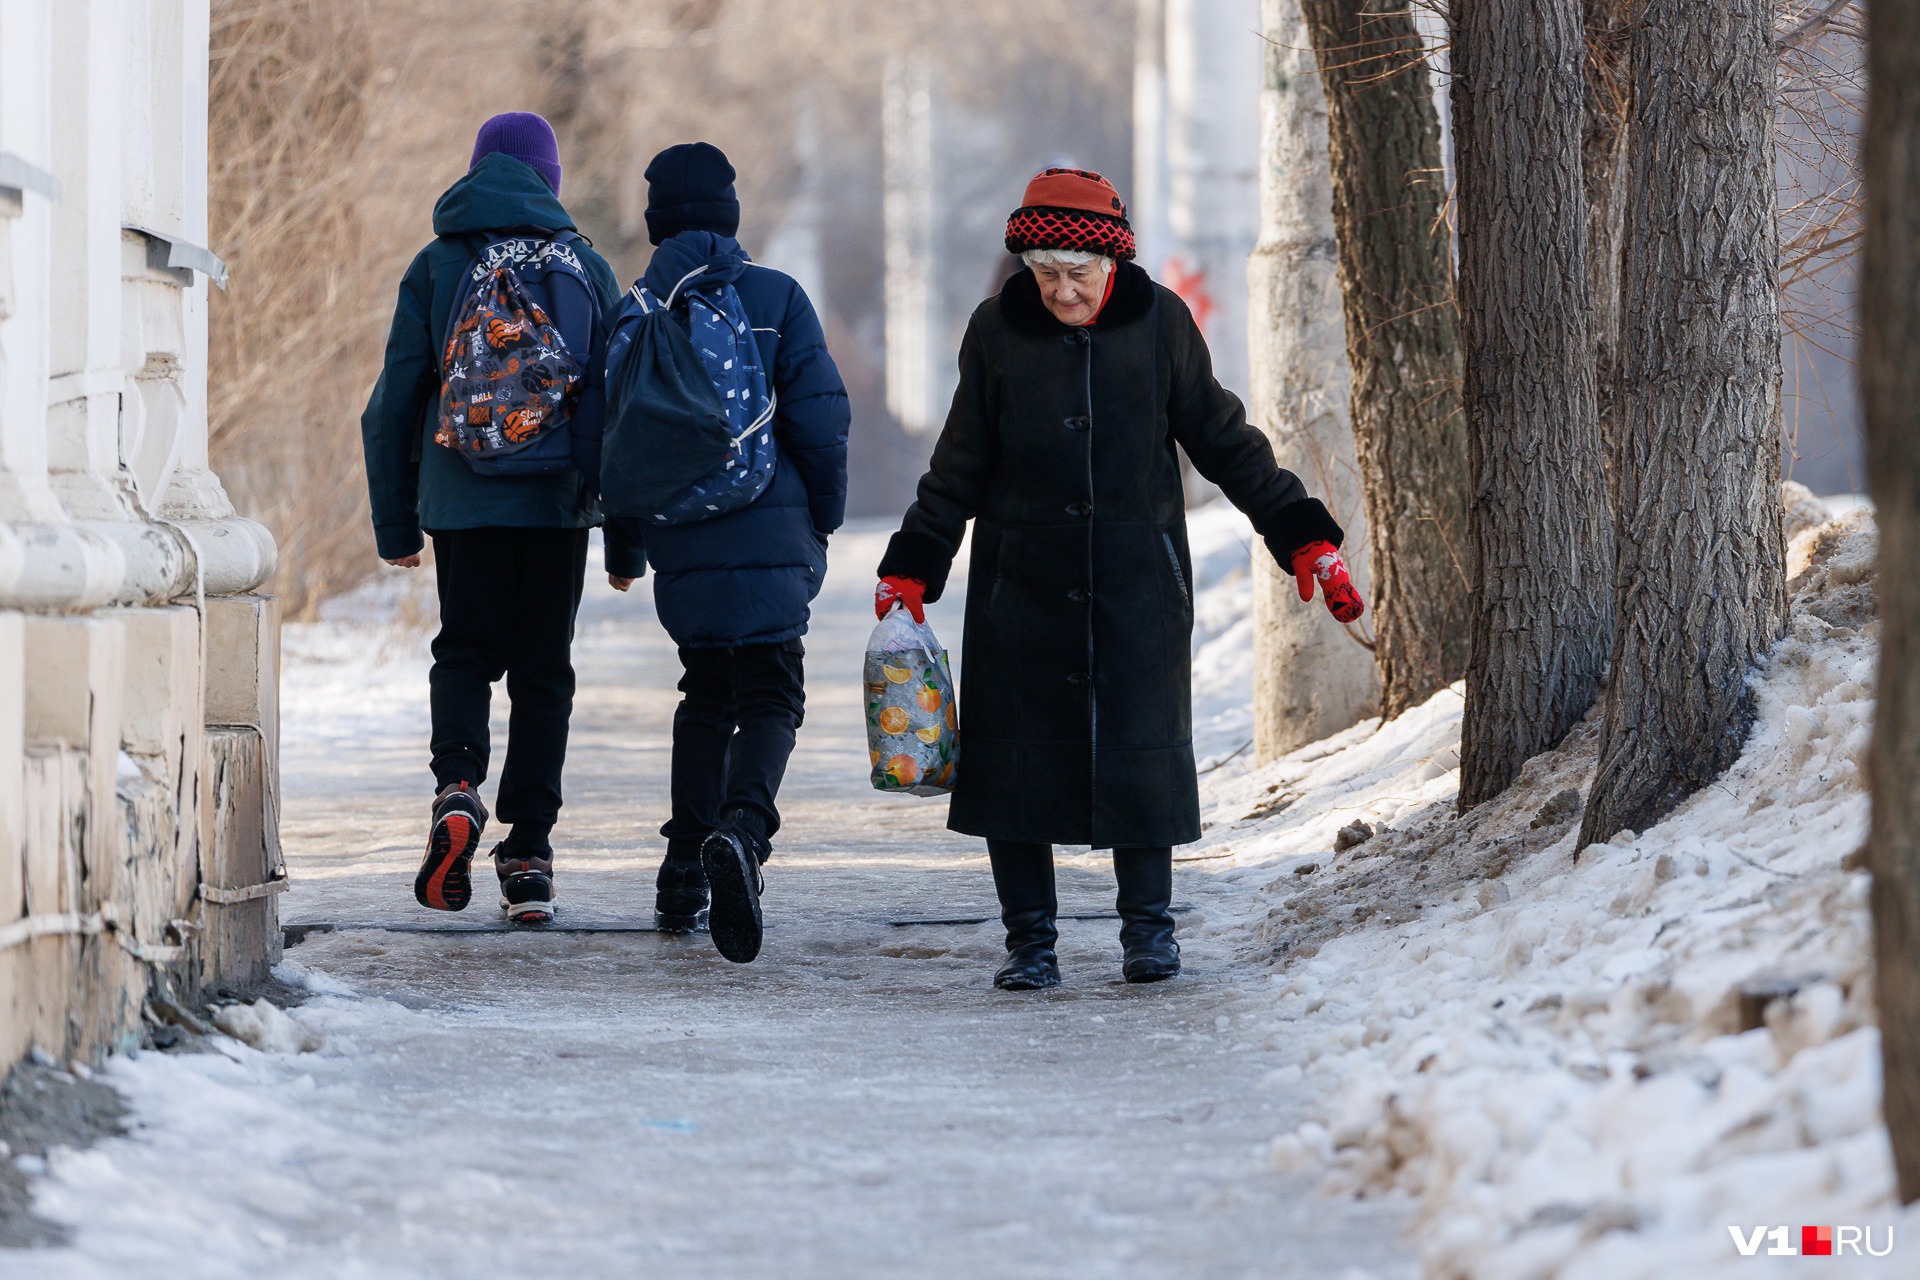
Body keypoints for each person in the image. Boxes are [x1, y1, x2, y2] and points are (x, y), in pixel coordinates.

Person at [875, 167, 1364, 990]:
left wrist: (1304, 537)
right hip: (1019, 587)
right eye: (1045, 273)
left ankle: (1150, 935)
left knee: (1142, 759)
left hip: (1138, 582)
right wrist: (914, 566)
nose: (1062, 290)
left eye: (1078, 273)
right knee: (1018, 771)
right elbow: (957, 468)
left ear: (1112, 265)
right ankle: (1029, 942)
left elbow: (1224, 440)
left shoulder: (1162, 324)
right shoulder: (994, 333)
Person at [361, 112, 622, 925]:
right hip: (557, 505)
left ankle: (459, 786)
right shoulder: (585, 264)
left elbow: (391, 405)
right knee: (545, 672)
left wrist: (396, 525)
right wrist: (625, 534)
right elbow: (616, 411)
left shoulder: (438, 264)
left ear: (476, 170)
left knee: (466, 653)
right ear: (550, 178)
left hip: (461, 498)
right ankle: (530, 856)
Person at [605, 142, 851, 964]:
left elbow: (612, 444)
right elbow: (820, 417)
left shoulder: (637, 308)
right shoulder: (777, 297)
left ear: (655, 223)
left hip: (684, 538)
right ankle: (744, 834)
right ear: (731, 214)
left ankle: (681, 872)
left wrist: (628, 540)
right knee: (773, 691)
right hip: (773, 526)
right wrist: (823, 513)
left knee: (705, 694)